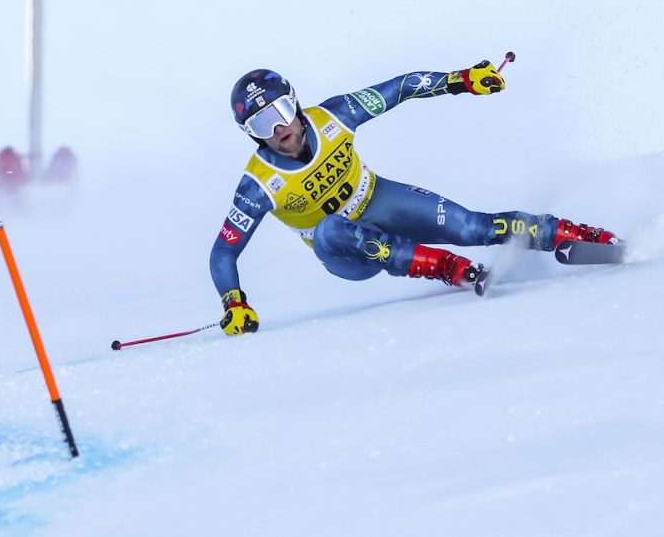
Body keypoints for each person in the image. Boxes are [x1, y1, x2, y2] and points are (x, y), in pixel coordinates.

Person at [210, 62, 619, 335]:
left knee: (471, 226)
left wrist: (459, 80)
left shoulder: (334, 116)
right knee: (329, 228)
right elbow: (223, 254)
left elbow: (401, 88)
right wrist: (236, 302)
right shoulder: (259, 184)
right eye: (262, 122)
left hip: (380, 199)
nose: (278, 127)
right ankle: (442, 266)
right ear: (251, 133)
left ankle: (570, 234)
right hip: (347, 254)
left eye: (281, 110)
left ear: (294, 101)